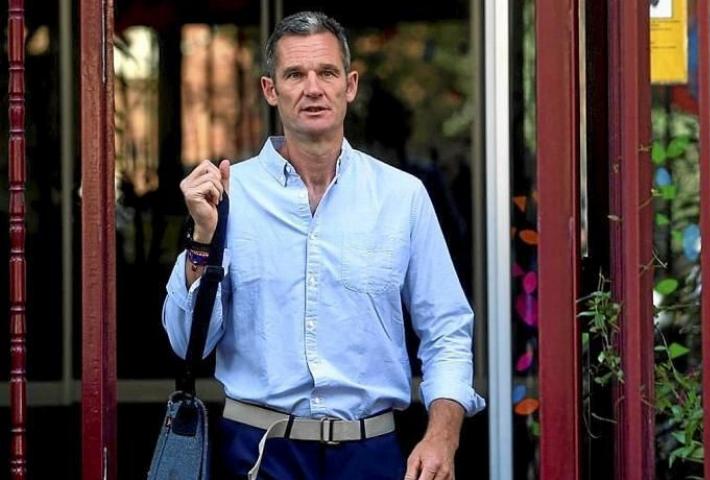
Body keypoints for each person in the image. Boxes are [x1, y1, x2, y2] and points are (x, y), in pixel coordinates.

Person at [163, 11, 485, 480]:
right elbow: (185, 342)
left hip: (370, 455)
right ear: (270, 89)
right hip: (257, 455)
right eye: (295, 74)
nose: (313, 88)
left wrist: (443, 435)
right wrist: (203, 238)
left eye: (327, 73)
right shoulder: (228, 194)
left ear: (349, 85)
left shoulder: (402, 197)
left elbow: (447, 329)